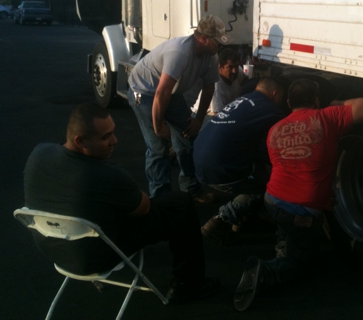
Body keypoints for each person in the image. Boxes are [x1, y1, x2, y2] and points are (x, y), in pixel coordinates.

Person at [23, 103, 219, 303]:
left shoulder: (39, 153)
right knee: (180, 204)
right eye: (105, 137)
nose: (115, 141)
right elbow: (143, 208)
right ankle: (188, 284)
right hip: (95, 257)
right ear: (80, 141)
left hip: (54, 251)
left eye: (113, 133)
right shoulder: (106, 174)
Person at [233, 78, 363, 311]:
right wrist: (337, 102)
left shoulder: (275, 130)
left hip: (273, 200)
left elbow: (279, 164)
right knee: (300, 263)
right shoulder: (327, 118)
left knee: (286, 233)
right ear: (317, 101)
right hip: (301, 210)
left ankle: (282, 248)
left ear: (289, 102)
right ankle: (267, 272)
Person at [127, 15, 231, 203]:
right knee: (158, 147)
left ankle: (191, 189)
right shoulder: (180, 52)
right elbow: (161, 93)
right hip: (143, 92)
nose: (219, 47)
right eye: (217, 42)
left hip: (168, 93)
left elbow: (209, 87)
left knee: (187, 135)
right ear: (203, 38)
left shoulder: (210, 56)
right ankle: (161, 199)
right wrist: (158, 125)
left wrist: (198, 120)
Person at [194, 77, 285, 244]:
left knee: (252, 168)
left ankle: (242, 219)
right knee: (267, 185)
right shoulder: (273, 111)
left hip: (200, 160)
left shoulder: (243, 100)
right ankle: (222, 218)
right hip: (218, 168)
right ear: (275, 94)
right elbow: (268, 153)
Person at [191, 48, 248, 121]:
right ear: (220, 67)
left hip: (226, 111)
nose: (234, 71)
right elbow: (219, 117)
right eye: (230, 67)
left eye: (236, 66)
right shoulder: (216, 85)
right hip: (204, 116)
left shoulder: (238, 71)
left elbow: (247, 82)